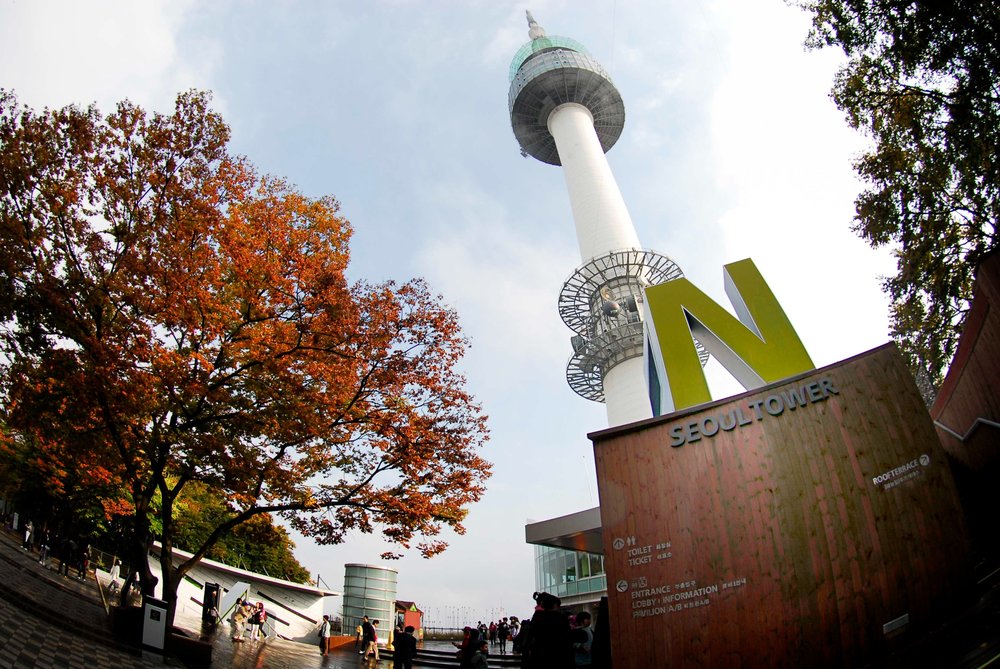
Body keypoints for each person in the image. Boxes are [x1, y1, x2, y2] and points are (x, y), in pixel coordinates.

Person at [523, 592, 573, 669]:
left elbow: (530, 635)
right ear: (555, 605)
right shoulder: (561, 618)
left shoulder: (537, 617)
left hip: (539, 654)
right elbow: (567, 637)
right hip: (559, 655)